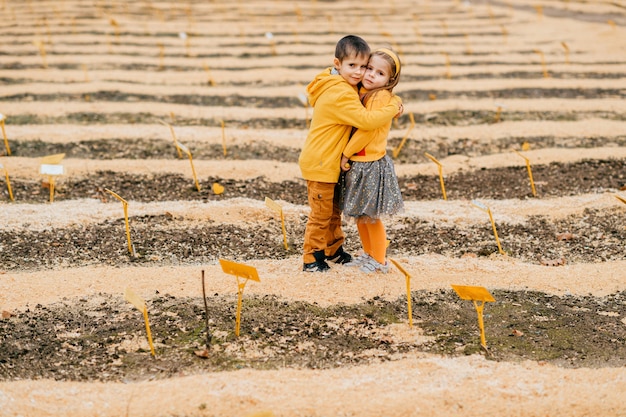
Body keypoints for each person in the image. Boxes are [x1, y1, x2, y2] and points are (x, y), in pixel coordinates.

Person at [299, 35, 403, 273]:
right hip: (322, 162)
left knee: (333, 212)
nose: (359, 73)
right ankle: (311, 259)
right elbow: (366, 120)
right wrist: (393, 105)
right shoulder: (341, 93)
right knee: (321, 216)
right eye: (352, 66)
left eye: (363, 66)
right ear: (338, 64)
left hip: (329, 161)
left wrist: (390, 97)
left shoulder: (340, 83)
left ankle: (333, 250)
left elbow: (369, 94)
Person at [340, 47, 405, 274]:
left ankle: (380, 260)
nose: (370, 75)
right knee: (361, 215)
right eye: (369, 68)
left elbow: (367, 131)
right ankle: (368, 253)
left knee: (371, 217)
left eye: (379, 73)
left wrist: (346, 153)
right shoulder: (368, 92)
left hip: (369, 162)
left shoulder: (380, 97)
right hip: (362, 160)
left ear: (390, 80)